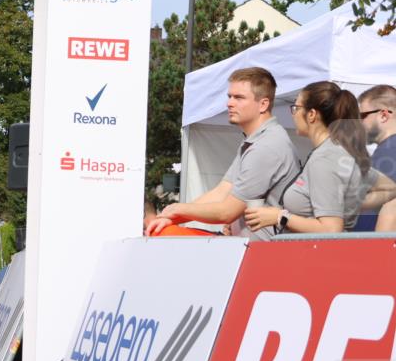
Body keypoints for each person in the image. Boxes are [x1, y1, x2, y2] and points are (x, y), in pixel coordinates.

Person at [147, 67, 300, 240]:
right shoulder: (256, 140)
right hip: (242, 245)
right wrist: (171, 217)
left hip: (260, 253)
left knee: (164, 234)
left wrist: (177, 210)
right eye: (229, 97)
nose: (229, 103)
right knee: (163, 230)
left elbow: (227, 212)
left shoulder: (266, 146)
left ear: (263, 104)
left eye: (239, 98)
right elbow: (222, 191)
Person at [245, 82, 396, 234]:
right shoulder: (335, 152)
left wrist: (280, 217)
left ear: (311, 115)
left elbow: (331, 229)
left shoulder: (326, 158)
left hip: (317, 254)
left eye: (296, 108)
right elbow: (390, 188)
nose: (293, 114)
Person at [354, 84, 396, 231]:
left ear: (384, 115)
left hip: (376, 249)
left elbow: (391, 208)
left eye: (362, 116)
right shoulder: (386, 150)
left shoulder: (390, 151)